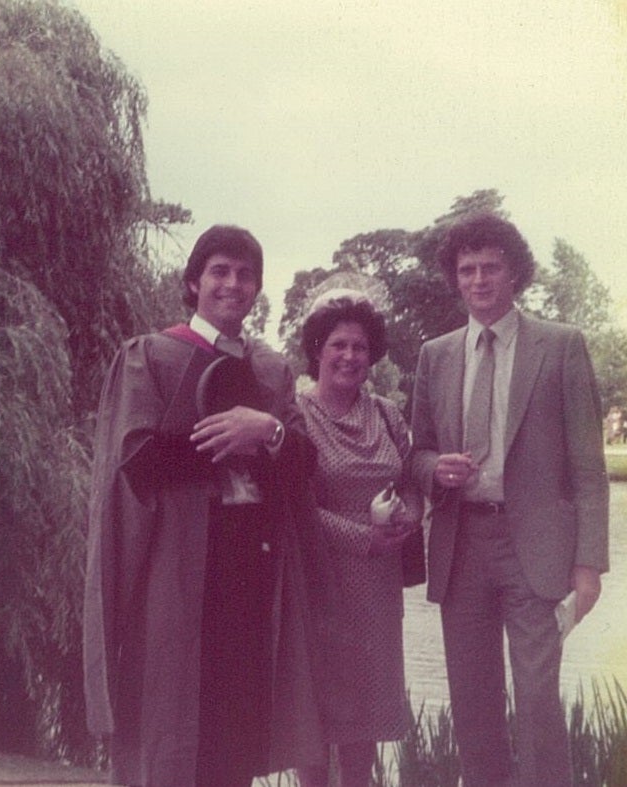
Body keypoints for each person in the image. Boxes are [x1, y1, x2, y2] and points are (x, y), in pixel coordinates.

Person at [83, 225, 328, 787]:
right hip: (179, 568)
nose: (232, 284)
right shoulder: (150, 356)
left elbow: (303, 464)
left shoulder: (271, 371)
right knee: (171, 730)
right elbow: (135, 464)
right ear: (193, 283)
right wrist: (224, 436)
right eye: (219, 271)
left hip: (253, 570)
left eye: (245, 275)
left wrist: (264, 430)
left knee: (237, 734)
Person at [410, 212, 609, 786]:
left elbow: (590, 471)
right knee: (473, 706)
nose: (478, 280)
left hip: (537, 551)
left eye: (490, 268)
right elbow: (415, 452)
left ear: (514, 273)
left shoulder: (561, 345)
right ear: (456, 278)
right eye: (466, 269)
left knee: (539, 704)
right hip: (461, 544)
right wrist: (433, 469)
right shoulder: (436, 354)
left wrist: (589, 565)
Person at [295, 290, 424, 787]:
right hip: (321, 581)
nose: (350, 356)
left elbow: (411, 479)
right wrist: (363, 536)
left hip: (377, 586)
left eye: (361, 347)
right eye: (338, 345)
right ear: (318, 350)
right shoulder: (297, 414)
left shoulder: (388, 414)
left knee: (366, 715)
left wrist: (407, 517)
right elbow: (296, 509)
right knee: (317, 713)